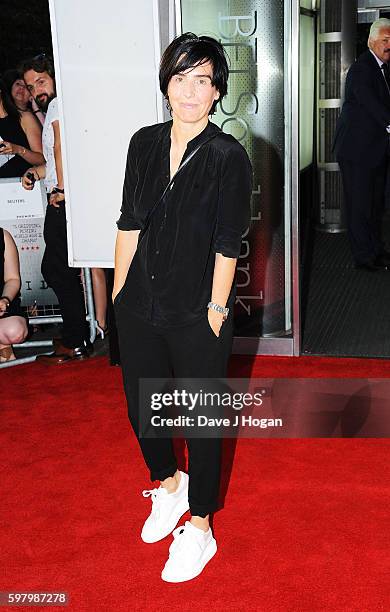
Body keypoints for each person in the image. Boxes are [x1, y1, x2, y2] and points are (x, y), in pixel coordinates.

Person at [113, 33, 252, 582]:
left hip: (198, 311)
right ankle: (170, 486)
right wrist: (121, 293)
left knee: (202, 422)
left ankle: (200, 528)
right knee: (143, 411)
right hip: (139, 303)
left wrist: (217, 309)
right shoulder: (143, 143)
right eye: (180, 78)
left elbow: (227, 241)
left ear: (216, 92)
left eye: (202, 80)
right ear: (166, 84)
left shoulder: (228, 156)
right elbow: (128, 221)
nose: (190, 91)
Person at [20, 55, 90, 363]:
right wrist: (38, 173)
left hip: (62, 200)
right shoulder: (56, 107)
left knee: (56, 269)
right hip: (60, 195)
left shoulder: (61, 105)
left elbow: (61, 147)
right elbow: (55, 155)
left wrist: (61, 189)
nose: (36, 90)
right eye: (31, 85)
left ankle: (76, 339)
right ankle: (75, 335)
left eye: (41, 81)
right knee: (58, 268)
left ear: (55, 77)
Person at [333, 18, 390, 271]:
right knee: (360, 206)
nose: (389, 45)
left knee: (375, 204)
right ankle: (364, 257)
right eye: (385, 40)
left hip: (375, 149)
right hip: (357, 151)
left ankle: (376, 250)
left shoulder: (384, 68)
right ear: (371, 42)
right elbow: (372, 104)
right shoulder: (362, 68)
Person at [0, 77, 44, 178]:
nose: (21, 88)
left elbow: (42, 159)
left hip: (23, 186)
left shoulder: (24, 117)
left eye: (26, 87)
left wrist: (18, 150)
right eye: (18, 84)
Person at [0, 228, 28, 362]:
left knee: (15, 331)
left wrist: (5, 299)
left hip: (2, 304)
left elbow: (13, 279)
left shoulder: (3, 236)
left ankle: (3, 344)